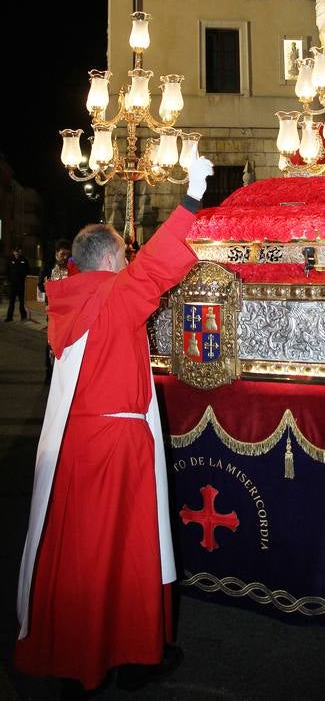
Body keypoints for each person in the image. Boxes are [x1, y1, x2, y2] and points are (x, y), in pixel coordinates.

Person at [15, 154, 214, 699]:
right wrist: (194, 195)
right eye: (124, 254)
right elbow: (156, 266)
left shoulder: (69, 304)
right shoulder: (111, 297)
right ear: (110, 260)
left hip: (75, 445)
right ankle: (129, 653)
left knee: (79, 554)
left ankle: (73, 650)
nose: (130, 260)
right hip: (118, 448)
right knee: (126, 556)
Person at [38, 240, 72, 383]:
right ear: (56, 253)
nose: (64, 257)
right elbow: (40, 286)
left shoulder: (71, 269)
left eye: (67, 255)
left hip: (68, 312)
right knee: (51, 341)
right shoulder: (48, 267)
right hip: (53, 311)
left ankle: (64, 371)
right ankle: (49, 371)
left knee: (66, 341)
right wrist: (49, 288)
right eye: (62, 254)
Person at [5, 246, 29, 321]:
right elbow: (7, 271)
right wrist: (9, 281)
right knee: (11, 301)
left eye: (19, 251)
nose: (17, 253)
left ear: (20, 252)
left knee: (22, 301)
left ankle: (23, 316)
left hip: (21, 284)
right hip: (13, 284)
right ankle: (9, 317)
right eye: (16, 251)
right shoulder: (10, 260)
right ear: (13, 252)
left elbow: (28, 270)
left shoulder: (24, 260)